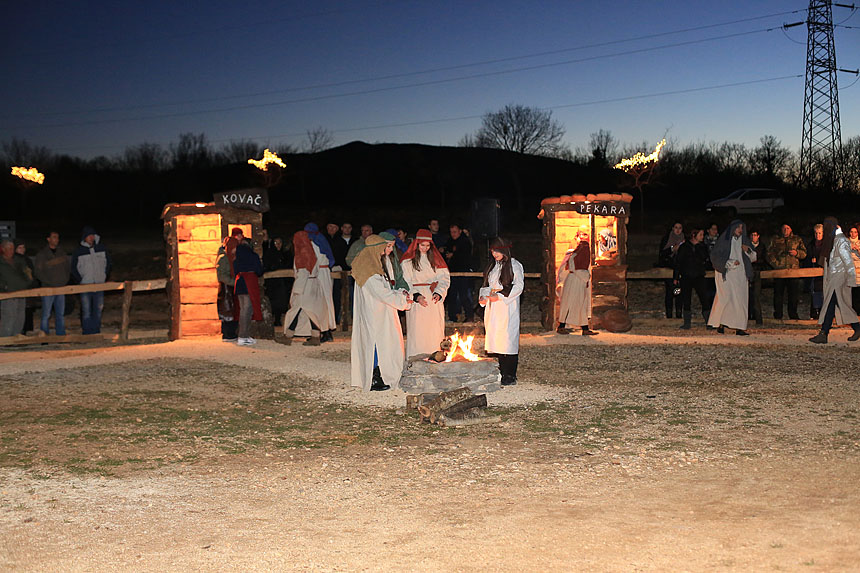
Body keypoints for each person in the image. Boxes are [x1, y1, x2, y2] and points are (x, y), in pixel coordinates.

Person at [350, 234, 411, 391]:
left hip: (378, 312)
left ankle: (379, 375)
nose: (384, 253)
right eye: (381, 249)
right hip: (375, 315)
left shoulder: (370, 267)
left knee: (378, 343)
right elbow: (383, 293)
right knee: (376, 344)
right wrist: (403, 301)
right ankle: (374, 377)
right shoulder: (369, 273)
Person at [479, 237, 524, 386]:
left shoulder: (514, 265)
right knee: (497, 338)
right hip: (494, 308)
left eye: (497, 251)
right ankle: (501, 371)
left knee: (508, 338)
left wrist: (499, 296)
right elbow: (487, 285)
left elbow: (518, 286)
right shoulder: (493, 266)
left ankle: (510, 374)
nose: (494, 254)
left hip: (507, 306)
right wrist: (483, 297)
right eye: (492, 251)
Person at [400, 228, 450, 357]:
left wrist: (439, 292)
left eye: (428, 246)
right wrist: (416, 296)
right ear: (416, 244)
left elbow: (444, 278)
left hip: (433, 297)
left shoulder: (435, 260)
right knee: (418, 330)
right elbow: (406, 281)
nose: (425, 248)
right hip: (417, 298)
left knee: (434, 329)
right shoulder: (408, 261)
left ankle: (436, 356)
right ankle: (416, 357)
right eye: (422, 245)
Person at [809, 217, 860, 343]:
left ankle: (824, 333)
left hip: (839, 278)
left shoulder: (840, 240)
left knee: (833, 304)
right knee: (834, 305)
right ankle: (826, 333)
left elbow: (848, 261)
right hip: (834, 278)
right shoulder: (833, 240)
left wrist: (851, 279)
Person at [708, 219, 756, 336]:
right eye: (738, 227)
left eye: (741, 227)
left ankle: (740, 327)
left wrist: (748, 250)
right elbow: (715, 256)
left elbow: (753, 257)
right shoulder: (724, 240)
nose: (740, 230)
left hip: (740, 275)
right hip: (727, 274)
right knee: (726, 298)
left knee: (740, 300)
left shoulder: (744, 241)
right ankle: (721, 323)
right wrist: (729, 263)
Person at [283, 230, 329, 346]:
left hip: (305, 286)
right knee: (309, 312)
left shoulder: (302, 254)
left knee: (296, 310)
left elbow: (302, 273)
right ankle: (314, 336)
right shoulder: (311, 252)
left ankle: (288, 336)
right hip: (314, 284)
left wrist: (297, 290)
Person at [71, 226, 111, 335]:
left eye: (92, 235)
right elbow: (73, 268)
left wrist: (103, 276)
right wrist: (80, 279)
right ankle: (87, 332)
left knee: (98, 309)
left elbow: (108, 264)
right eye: (89, 236)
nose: (91, 238)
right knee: (86, 310)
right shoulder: (79, 251)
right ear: (84, 238)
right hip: (85, 285)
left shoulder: (101, 248)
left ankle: (96, 331)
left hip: (99, 284)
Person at [556, 231, 597, 335]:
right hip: (577, 281)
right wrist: (586, 277)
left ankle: (584, 328)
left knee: (577, 304)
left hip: (574, 280)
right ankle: (563, 326)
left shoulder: (574, 254)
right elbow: (579, 270)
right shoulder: (576, 255)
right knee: (575, 303)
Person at [766, 223, 806, 320]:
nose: (785, 230)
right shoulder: (775, 239)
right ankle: (778, 315)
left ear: (791, 229)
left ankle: (793, 314)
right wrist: (776, 264)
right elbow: (769, 254)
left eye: (788, 228)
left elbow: (804, 253)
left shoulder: (797, 239)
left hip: (793, 271)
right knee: (778, 295)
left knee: (793, 295)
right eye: (784, 228)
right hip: (780, 272)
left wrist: (797, 253)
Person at [673, 228, 711, 330]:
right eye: (701, 234)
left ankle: (709, 322)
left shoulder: (702, 247)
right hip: (686, 276)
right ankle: (687, 323)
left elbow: (706, 259)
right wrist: (676, 277)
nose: (702, 237)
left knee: (704, 298)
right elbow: (678, 262)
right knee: (686, 299)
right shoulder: (684, 247)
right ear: (694, 235)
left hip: (699, 276)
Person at [304, 223, 337, 341]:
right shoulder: (320, 240)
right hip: (322, 272)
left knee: (323, 302)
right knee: (320, 302)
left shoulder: (315, 242)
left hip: (319, 273)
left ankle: (326, 331)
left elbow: (315, 260)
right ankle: (319, 330)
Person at [34, 231, 71, 336]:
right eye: (54, 237)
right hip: (48, 288)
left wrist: (64, 280)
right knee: (46, 313)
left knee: (60, 313)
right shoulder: (42, 254)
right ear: (48, 239)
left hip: (60, 287)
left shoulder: (62, 253)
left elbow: (67, 269)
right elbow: (38, 272)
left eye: (57, 237)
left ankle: (60, 334)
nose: (56, 239)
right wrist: (48, 282)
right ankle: (44, 335)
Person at [233, 239, 263, 346]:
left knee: (243, 310)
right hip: (249, 283)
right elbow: (259, 271)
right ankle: (243, 336)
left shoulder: (237, 258)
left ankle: (244, 334)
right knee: (247, 310)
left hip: (239, 283)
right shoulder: (252, 256)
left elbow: (235, 271)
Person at [0, 239, 31, 337]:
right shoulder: (1, 262)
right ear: (3, 249)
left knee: (20, 316)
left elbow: (28, 272)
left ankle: (16, 337)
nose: (11, 251)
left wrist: (27, 282)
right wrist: (4, 287)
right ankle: (5, 339)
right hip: (8, 294)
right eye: (9, 248)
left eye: (12, 248)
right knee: (9, 316)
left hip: (22, 292)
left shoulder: (19, 260)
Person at [444, 223, 474, 323]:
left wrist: (454, 255)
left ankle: (469, 316)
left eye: (455, 232)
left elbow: (465, 256)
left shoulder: (465, 241)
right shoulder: (450, 241)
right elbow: (446, 251)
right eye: (451, 232)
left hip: (463, 273)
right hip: (452, 272)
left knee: (464, 295)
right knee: (452, 295)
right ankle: (453, 316)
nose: (453, 234)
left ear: (460, 231)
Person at [657, 221, 685, 319]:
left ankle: (678, 314)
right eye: (676, 227)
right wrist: (672, 249)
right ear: (673, 228)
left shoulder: (684, 240)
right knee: (669, 291)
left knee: (679, 291)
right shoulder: (667, 239)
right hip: (668, 268)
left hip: (680, 270)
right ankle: (669, 314)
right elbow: (662, 254)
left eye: (680, 228)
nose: (678, 230)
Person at [262, 236, 289, 327]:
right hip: (272, 283)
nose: (278, 245)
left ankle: (278, 320)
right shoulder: (269, 254)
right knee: (272, 302)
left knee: (281, 302)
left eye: (280, 243)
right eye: (275, 243)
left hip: (282, 283)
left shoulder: (285, 255)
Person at [215, 237, 238, 342]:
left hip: (230, 288)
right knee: (227, 310)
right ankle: (228, 334)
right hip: (226, 288)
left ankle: (231, 333)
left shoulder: (231, 257)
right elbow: (221, 275)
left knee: (231, 310)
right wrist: (234, 282)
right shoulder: (224, 258)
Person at [14, 239, 36, 334]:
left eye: (23, 247)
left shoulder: (27, 260)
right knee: (17, 313)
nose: (22, 249)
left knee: (28, 311)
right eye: (20, 247)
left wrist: (32, 284)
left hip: (28, 290)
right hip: (17, 291)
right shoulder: (12, 260)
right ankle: (18, 333)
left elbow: (32, 274)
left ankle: (28, 331)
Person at [747, 229, 767, 325]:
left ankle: (758, 319)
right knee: (747, 295)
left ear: (758, 236)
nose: (753, 237)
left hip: (757, 271)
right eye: (752, 235)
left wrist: (757, 261)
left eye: (755, 235)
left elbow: (764, 258)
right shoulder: (746, 246)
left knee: (756, 296)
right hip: (748, 271)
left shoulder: (762, 246)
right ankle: (748, 317)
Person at [806, 224, 826, 319]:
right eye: (816, 233)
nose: (818, 235)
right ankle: (814, 313)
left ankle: (824, 313)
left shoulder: (827, 245)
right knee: (814, 292)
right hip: (813, 272)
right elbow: (807, 257)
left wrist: (819, 261)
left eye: (819, 233)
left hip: (824, 272)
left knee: (824, 293)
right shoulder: (811, 245)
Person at [848, 224, 860, 314]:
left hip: (859, 272)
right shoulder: (846, 243)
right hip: (850, 271)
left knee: (858, 292)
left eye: (855, 232)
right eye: (851, 232)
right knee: (850, 293)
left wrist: (858, 250)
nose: (853, 234)